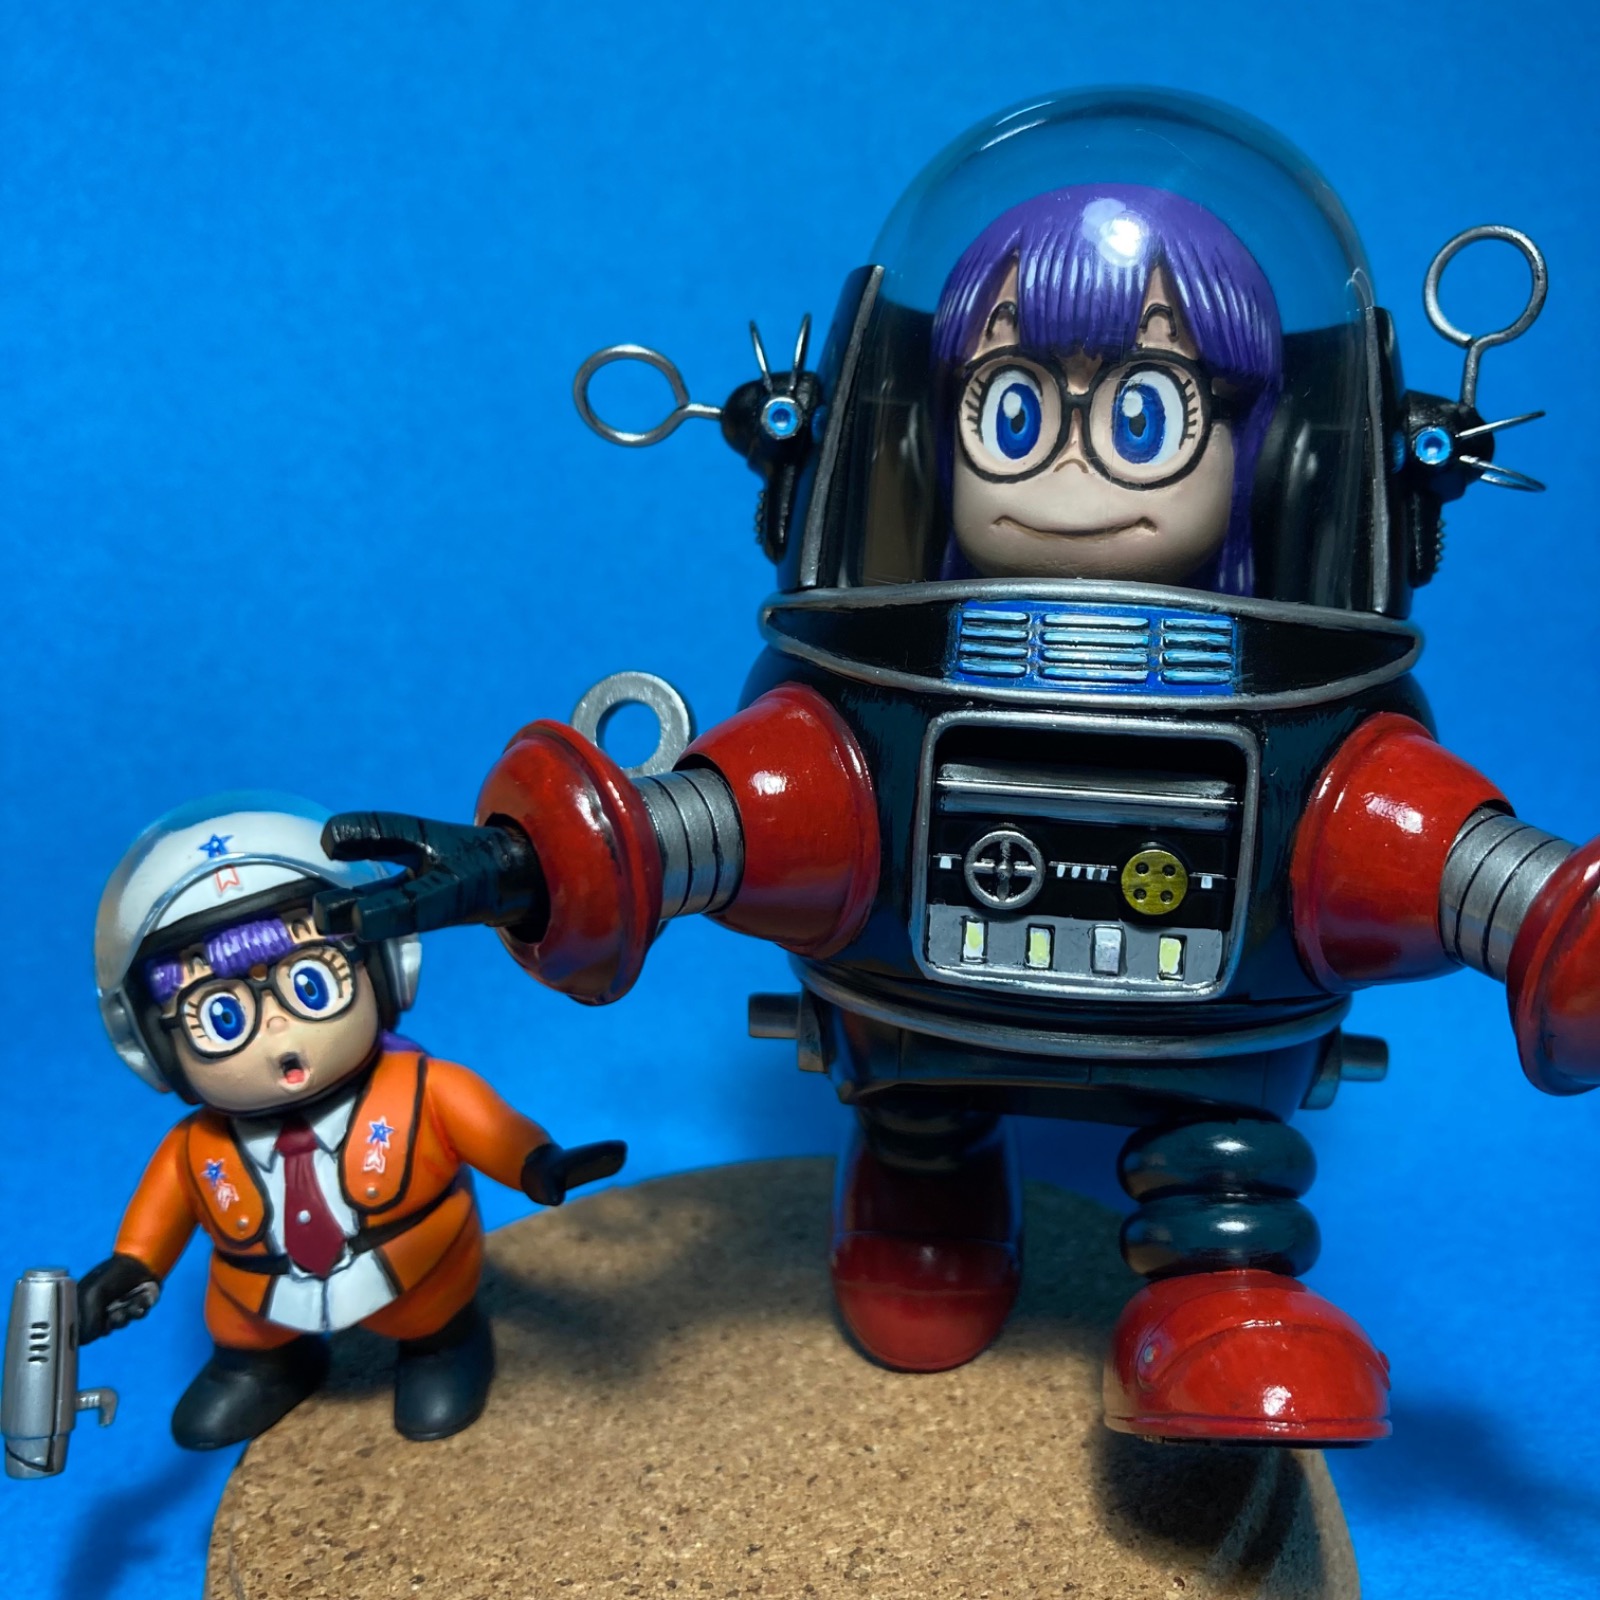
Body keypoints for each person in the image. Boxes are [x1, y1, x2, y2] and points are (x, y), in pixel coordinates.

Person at [79, 792, 625, 1448]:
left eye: (310, 983)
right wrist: (131, 1269)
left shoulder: (423, 1090)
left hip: (414, 1274)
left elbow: (494, 1131)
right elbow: (157, 1220)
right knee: (244, 1328)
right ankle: (263, 1366)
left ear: (384, 970)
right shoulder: (197, 1147)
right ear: (155, 1045)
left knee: (430, 1316)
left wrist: (540, 1166)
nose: (278, 1032)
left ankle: (442, 1347)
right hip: (260, 1297)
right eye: (222, 1015)